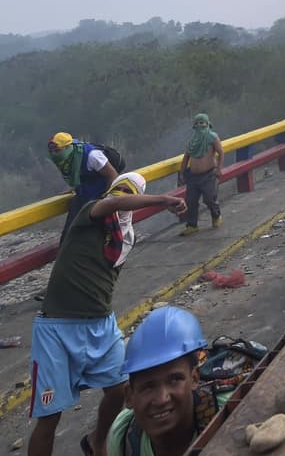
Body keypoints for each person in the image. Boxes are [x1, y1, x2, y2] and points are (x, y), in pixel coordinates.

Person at [28, 173, 187, 456]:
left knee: (119, 391)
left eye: (131, 191)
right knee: (50, 415)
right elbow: (113, 204)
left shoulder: (125, 236)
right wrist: (163, 199)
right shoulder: (91, 212)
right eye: (120, 189)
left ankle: (98, 441)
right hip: (57, 328)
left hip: (100, 325)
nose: (123, 195)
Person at [107, 307, 220, 456]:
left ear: (194, 378)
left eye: (174, 380)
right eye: (148, 387)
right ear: (129, 396)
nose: (161, 399)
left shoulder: (226, 412)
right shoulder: (123, 438)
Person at [47, 133, 120, 241]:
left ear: (67, 147)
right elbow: (79, 175)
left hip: (100, 196)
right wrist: (75, 188)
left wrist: (108, 199)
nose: (54, 154)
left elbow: (112, 175)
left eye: (57, 150)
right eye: (52, 152)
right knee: (71, 229)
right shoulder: (68, 159)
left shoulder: (92, 156)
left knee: (98, 231)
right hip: (83, 195)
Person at [176, 114, 223, 237]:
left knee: (209, 198)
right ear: (194, 126)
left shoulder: (213, 137)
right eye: (197, 123)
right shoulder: (193, 141)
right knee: (190, 201)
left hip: (209, 174)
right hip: (193, 176)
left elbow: (221, 152)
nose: (200, 125)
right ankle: (192, 225)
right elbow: (186, 158)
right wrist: (182, 173)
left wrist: (219, 169)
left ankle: (216, 215)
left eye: (202, 123)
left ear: (208, 124)